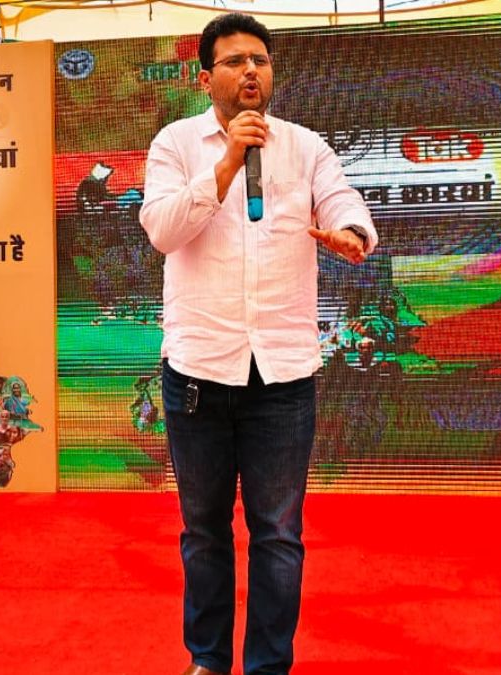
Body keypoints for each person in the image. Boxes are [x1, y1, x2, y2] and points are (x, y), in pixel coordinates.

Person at [138, 13, 376, 675]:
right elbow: (162, 230)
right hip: (198, 372)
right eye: (236, 60)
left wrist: (352, 231)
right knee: (204, 531)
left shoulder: (304, 145)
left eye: (261, 61)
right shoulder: (175, 144)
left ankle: (269, 666)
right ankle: (208, 660)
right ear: (205, 77)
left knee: (277, 534)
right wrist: (225, 165)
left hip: (282, 376)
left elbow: (340, 198)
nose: (251, 71)